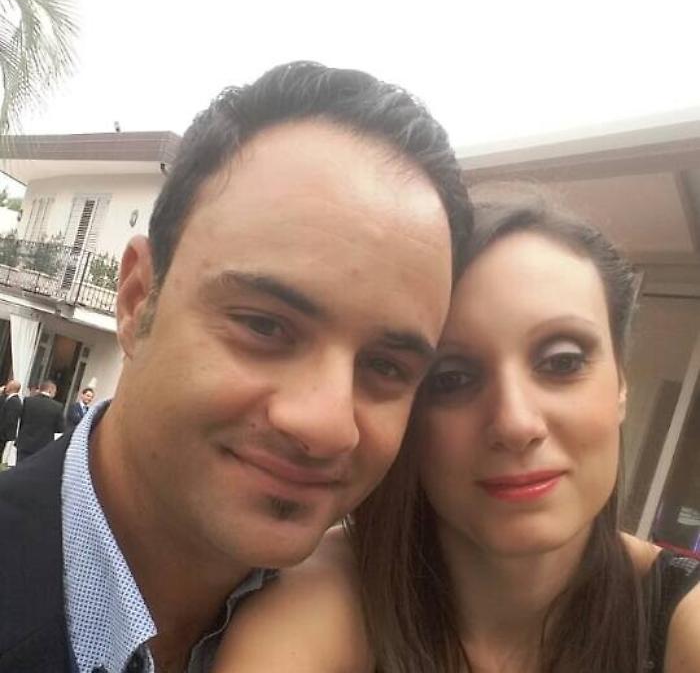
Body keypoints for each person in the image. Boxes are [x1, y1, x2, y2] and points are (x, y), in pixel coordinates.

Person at [0, 61, 471, 672]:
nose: (327, 426)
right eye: (265, 326)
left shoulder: (381, 640)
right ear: (137, 299)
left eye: (386, 366)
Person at [214, 188, 700, 673]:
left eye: (562, 362)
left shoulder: (682, 617)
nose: (515, 424)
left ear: (620, 383)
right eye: (452, 378)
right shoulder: (319, 603)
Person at [14, 379, 64, 463]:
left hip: (24, 442)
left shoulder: (28, 401)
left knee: (19, 467)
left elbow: (21, 419)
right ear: (50, 390)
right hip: (42, 445)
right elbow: (60, 428)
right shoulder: (57, 407)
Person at [0, 379, 22, 448]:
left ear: (11, 387)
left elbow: (9, 420)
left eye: (8, 385)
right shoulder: (7, 398)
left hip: (2, 435)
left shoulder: (14, 401)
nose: (6, 387)